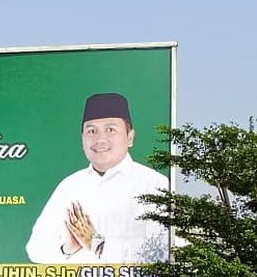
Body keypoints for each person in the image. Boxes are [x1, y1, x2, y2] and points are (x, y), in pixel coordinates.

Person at [25, 92, 170, 264]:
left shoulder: (154, 184)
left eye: (110, 129)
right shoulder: (70, 186)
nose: (100, 139)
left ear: (130, 138)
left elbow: (162, 252)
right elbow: (34, 249)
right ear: (82, 139)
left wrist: (96, 243)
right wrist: (68, 247)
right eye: (91, 131)